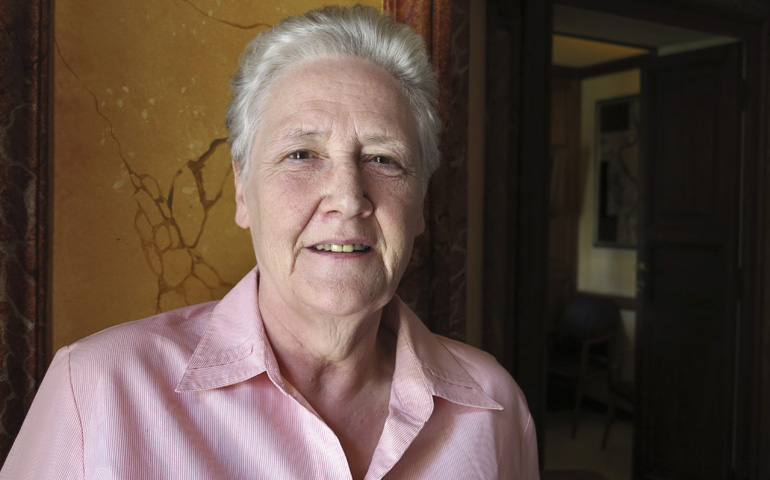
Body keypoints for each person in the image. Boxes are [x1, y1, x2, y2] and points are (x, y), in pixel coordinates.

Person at [1, 5, 538, 479]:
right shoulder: (96, 390)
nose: (348, 197)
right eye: (301, 154)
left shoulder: (494, 408)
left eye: (383, 158)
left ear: (420, 201)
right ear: (241, 189)